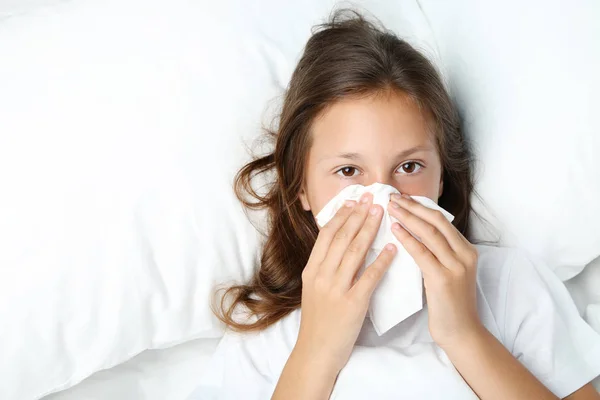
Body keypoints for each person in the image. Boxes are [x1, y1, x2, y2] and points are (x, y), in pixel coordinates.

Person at [188, 10, 600, 400]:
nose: (383, 196)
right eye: (349, 171)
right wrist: (317, 349)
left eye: (408, 165)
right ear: (302, 189)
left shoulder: (509, 286)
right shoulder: (264, 331)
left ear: (441, 178)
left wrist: (464, 333)